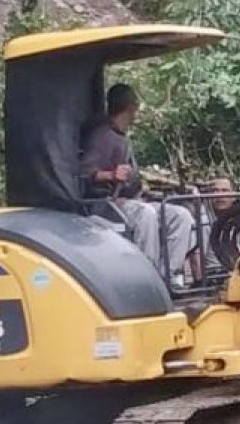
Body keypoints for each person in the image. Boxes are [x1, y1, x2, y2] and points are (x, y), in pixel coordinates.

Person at [80, 83, 196, 287]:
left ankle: (168, 277)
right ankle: (146, 280)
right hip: (106, 205)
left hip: (133, 201)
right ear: (130, 107)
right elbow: (84, 173)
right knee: (146, 215)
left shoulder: (123, 137)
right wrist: (111, 175)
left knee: (181, 216)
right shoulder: (101, 136)